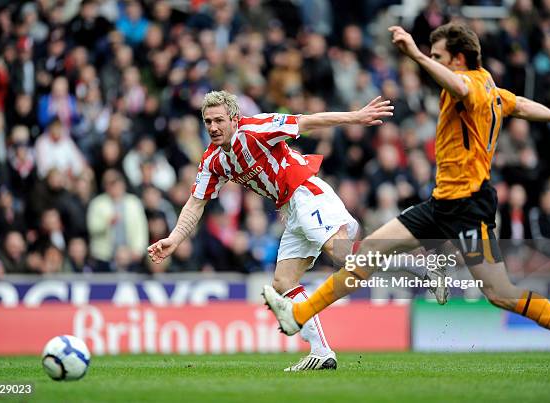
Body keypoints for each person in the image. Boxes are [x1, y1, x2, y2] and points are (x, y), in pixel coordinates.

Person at [262, 23, 550, 348]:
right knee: (370, 251)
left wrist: (415, 54)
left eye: (438, 56)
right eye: (430, 54)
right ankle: (299, 314)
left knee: (501, 294)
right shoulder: (489, 86)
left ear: (458, 58)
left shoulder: (469, 84)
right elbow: (521, 105)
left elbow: (457, 86)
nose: (433, 60)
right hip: (441, 202)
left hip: (469, 207)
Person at [149, 90, 409, 371]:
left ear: (235, 119)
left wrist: (356, 117)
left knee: (341, 254)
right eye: (208, 121)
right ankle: (321, 352)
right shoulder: (213, 161)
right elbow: (195, 203)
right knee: (283, 283)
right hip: (290, 209)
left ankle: (418, 265)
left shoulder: (257, 128)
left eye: (219, 120)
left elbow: (307, 122)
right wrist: (174, 239)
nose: (213, 127)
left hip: (306, 192)